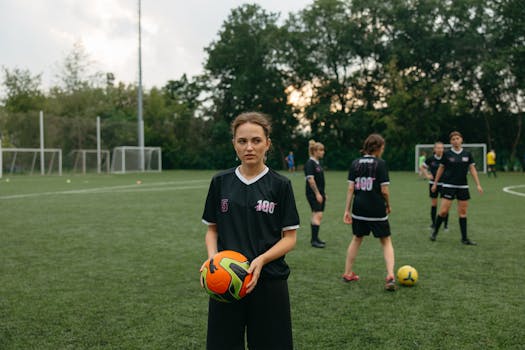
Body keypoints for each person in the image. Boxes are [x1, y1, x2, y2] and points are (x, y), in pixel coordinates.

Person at [201, 112, 300, 350]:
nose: (249, 147)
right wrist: (214, 259)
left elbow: (290, 238)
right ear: (234, 143)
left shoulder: (280, 185)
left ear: (268, 144)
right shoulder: (220, 182)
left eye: (256, 140)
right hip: (226, 282)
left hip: (268, 281)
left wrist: (262, 260)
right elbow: (212, 230)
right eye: (242, 141)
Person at [342, 134, 397, 291]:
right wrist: (388, 205)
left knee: (357, 239)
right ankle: (390, 276)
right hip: (376, 208)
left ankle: (347, 273)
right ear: (379, 148)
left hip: (359, 208)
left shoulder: (355, 163)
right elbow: (384, 190)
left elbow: (351, 188)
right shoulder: (381, 164)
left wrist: (347, 210)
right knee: (386, 241)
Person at [431, 131, 483, 245]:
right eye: (453, 139)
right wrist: (435, 183)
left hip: (463, 186)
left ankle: (464, 238)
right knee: (443, 211)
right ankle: (435, 232)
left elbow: (472, 169)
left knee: (463, 212)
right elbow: (441, 169)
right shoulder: (447, 154)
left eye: (457, 138)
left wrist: (478, 184)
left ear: (461, 139)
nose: (455, 141)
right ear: (451, 142)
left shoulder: (467, 154)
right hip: (448, 186)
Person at [420, 141, 449, 231]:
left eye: (441, 148)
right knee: (434, 204)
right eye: (438, 148)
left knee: (445, 205)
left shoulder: (446, 158)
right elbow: (422, 167)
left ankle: (445, 225)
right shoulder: (431, 159)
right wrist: (427, 175)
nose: (440, 149)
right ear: (434, 149)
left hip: (445, 184)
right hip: (433, 184)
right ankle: (433, 224)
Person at [304, 140, 327, 248]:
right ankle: (314, 241)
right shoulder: (310, 163)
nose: (323, 152)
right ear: (314, 151)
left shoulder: (317, 163)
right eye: (321, 150)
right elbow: (311, 180)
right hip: (313, 194)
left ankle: (315, 238)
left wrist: (323, 193)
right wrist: (317, 194)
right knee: (317, 214)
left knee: (317, 215)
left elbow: (320, 180)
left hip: (319, 193)